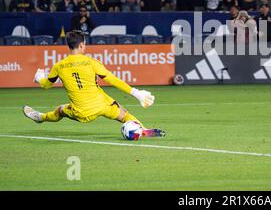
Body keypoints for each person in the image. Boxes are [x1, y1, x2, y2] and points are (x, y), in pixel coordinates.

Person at [23, 30, 165, 138]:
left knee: (60, 110)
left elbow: (46, 85)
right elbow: (112, 79)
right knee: (123, 114)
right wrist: (136, 93)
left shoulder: (59, 66)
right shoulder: (91, 62)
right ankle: (143, 129)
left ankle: (40, 117)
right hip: (102, 105)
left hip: (82, 112)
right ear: (81, 45)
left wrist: (39, 78)